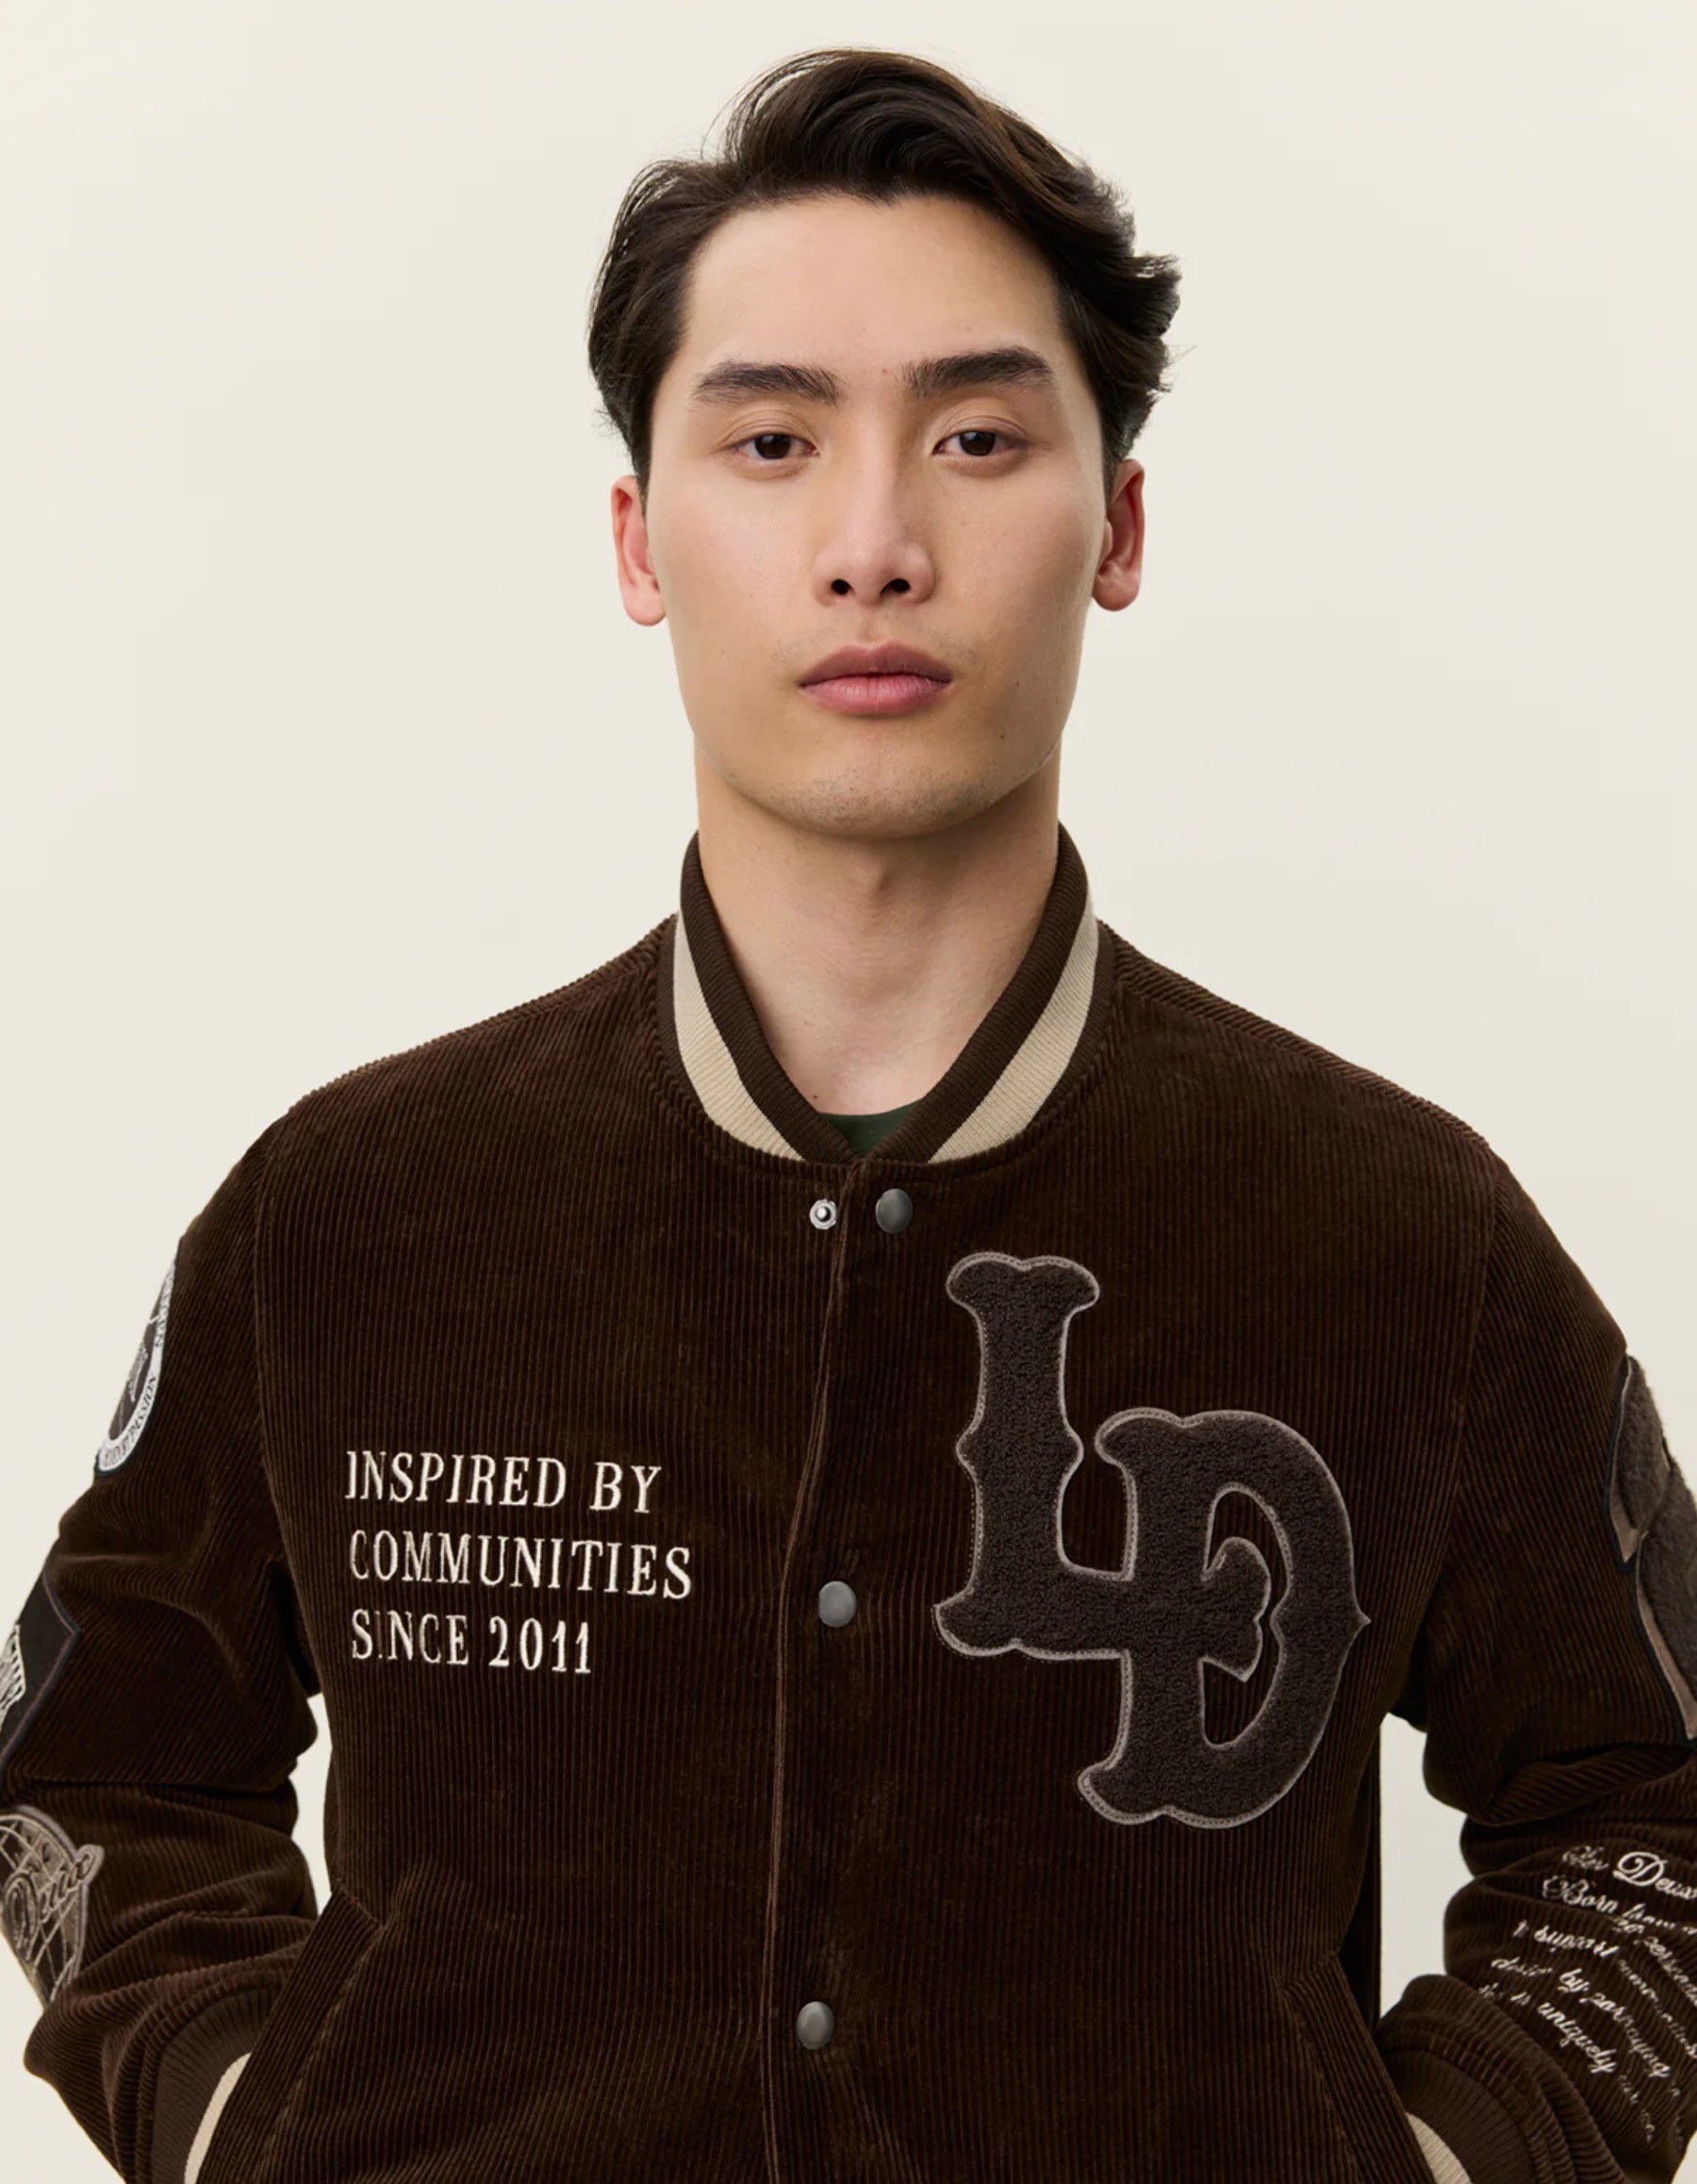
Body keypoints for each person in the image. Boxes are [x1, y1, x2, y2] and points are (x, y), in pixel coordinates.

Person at [4, 41, 1694, 2184]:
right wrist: (237, 2116)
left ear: (1119, 527)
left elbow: (1657, 1804)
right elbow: (95, 1761)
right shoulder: (351, 1213)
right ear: (640, 539)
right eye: (774, 441)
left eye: (978, 438)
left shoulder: (1399, 1232)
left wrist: (1457, 2160)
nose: (876, 544)